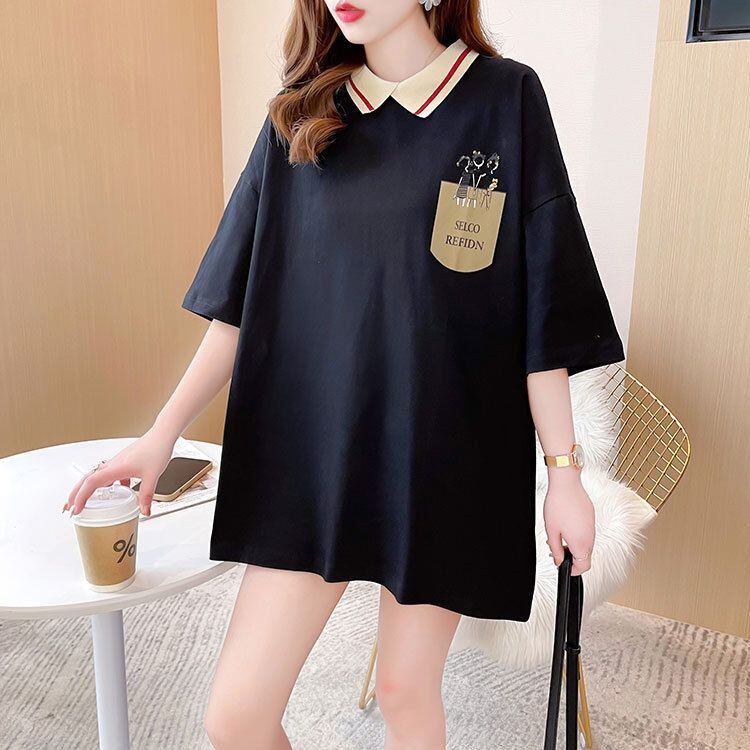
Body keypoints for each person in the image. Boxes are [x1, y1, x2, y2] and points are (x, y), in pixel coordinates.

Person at [65, 1, 624, 747]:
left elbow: (540, 305)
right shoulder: (299, 115)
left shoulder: (504, 98)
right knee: (236, 715)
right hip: (313, 452)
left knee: (404, 690)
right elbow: (237, 306)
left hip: (443, 456)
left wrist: (564, 475)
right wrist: (160, 435)